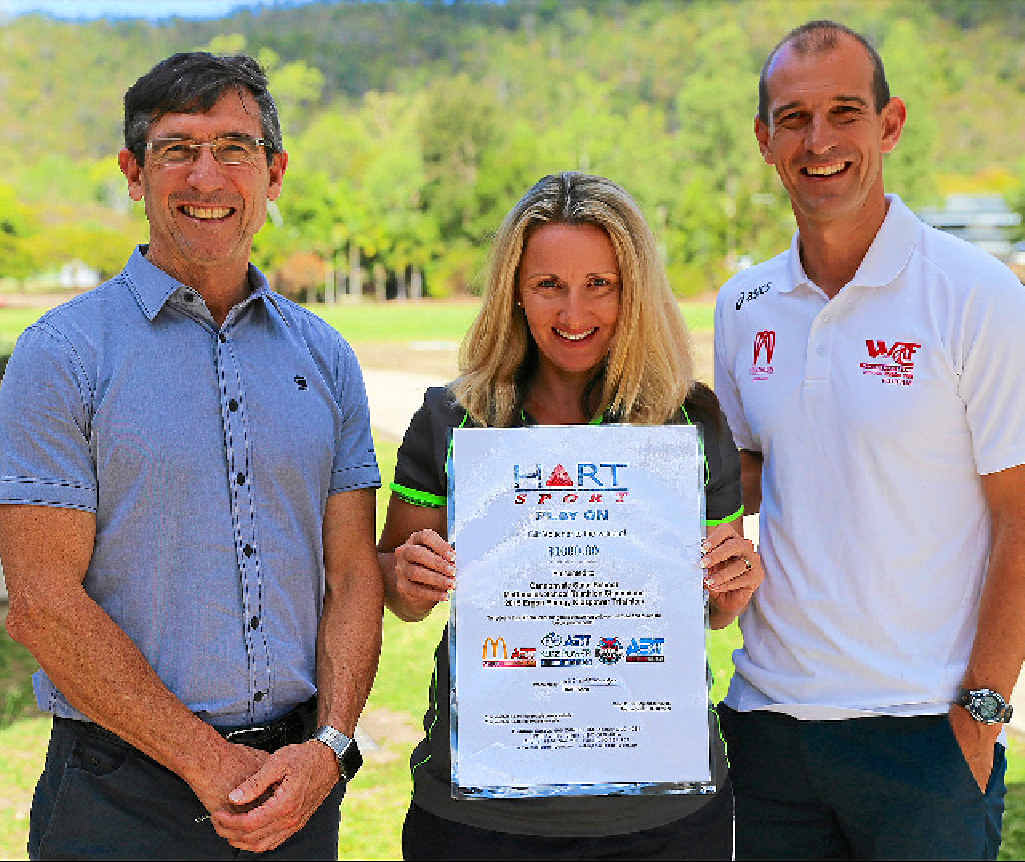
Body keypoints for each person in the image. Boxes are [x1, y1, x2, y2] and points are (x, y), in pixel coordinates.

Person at [0, 52, 382, 859]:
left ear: (273, 173)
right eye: (177, 149)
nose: (206, 176)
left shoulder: (327, 357)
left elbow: (353, 574)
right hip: (117, 794)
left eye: (233, 148)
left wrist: (332, 747)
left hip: (295, 783)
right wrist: (206, 760)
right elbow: (40, 601)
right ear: (133, 174)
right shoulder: (62, 355)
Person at [378, 171, 764, 861]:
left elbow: (712, 607)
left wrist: (730, 587)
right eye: (547, 285)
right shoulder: (453, 418)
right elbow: (396, 585)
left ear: (634, 290)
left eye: (600, 285)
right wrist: (406, 578)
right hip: (482, 814)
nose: (572, 311)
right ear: (513, 293)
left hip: (661, 815)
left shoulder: (690, 419)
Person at [713, 20, 1025, 861]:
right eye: (793, 118)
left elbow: (1019, 518)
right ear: (763, 141)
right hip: (766, 725)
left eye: (844, 113)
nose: (819, 141)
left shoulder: (976, 295)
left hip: (923, 731)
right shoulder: (741, 305)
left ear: (888, 125)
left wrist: (981, 715)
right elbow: (743, 474)